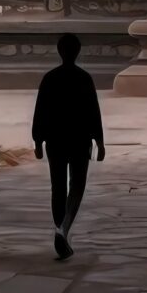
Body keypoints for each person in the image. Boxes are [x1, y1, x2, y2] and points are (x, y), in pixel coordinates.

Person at [31, 33, 105, 260]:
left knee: (58, 186)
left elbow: (40, 111)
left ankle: (59, 228)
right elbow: (94, 112)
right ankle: (63, 228)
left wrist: (38, 140)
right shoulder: (84, 78)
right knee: (77, 185)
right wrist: (99, 142)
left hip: (55, 140)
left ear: (59, 51)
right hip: (79, 139)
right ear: (78, 51)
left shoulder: (50, 78)